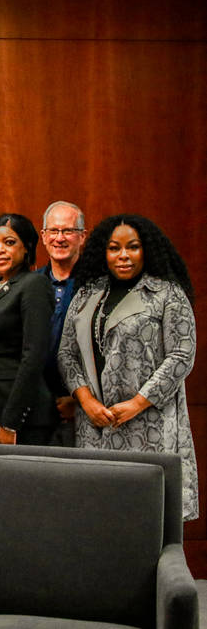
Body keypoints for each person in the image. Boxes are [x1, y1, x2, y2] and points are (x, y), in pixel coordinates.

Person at [58, 214, 198, 520]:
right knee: (98, 518)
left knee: (146, 519)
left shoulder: (167, 295)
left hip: (148, 427)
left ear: (145, 249)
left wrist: (136, 403)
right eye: (114, 248)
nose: (123, 255)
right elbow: (67, 353)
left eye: (132, 247)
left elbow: (181, 355)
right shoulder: (86, 294)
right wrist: (86, 401)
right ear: (103, 252)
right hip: (95, 426)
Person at [0, 213, 54, 446]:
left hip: (20, 416)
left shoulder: (33, 284)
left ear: (26, 248)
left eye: (9, 242)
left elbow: (33, 356)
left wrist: (11, 423)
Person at [38, 201, 87, 445]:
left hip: (84, 411)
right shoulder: (30, 285)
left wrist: (79, 401)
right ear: (44, 236)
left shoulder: (97, 286)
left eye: (68, 231)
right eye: (54, 231)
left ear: (82, 237)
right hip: (35, 409)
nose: (60, 238)